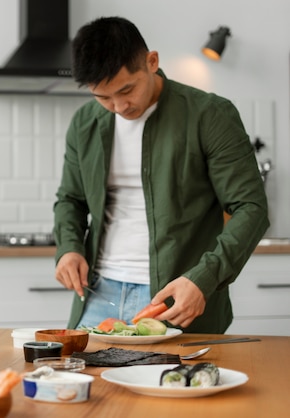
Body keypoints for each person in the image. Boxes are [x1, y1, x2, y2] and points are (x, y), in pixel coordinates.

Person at [53, 17, 269, 334]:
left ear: (151, 62)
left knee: (174, 384)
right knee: (79, 383)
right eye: (103, 96)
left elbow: (251, 208)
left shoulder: (210, 115)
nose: (119, 106)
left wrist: (204, 278)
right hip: (98, 294)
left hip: (175, 297)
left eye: (127, 89)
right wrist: (69, 247)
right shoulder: (84, 122)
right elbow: (71, 199)